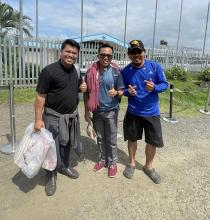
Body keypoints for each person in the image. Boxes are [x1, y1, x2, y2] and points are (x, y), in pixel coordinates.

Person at [34, 39, 87, 196]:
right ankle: (50, 175)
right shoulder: (49, 71)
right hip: (53, 117)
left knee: (66, 144)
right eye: (68, 51)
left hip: (70, 116)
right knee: (50, 147)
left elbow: (75, 86)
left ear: (77, 55)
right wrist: (38, 119)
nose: (70, 55)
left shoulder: (75, 71)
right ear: (61, 52)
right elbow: (40, 97)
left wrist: (81, 87)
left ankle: (64, 166)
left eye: (74, 53)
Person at [121, 40, 168, 184]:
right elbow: (122, 90)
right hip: (133, 112)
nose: (136, 55)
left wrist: (154, 87)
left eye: (138, 51)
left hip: (152, 112)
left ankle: (148, 167)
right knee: (132, 138)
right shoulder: (126, 71)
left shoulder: (155, 66)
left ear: (144, 52)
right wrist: (128, 92)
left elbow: (165, 85)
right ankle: (132, 163)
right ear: (129, 55)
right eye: (132, 52)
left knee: (152, 141)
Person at [84, 43, 124, 178]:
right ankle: (103, 159)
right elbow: (86, 92)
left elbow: (122, 90)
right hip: (96, 111)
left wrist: (117, 92)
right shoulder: (90, 71)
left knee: (111, 138)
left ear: (112, 56)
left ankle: (112, 163)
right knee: (100, 137)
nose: (106, 57)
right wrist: (86, 111)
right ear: (98, 55)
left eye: (108, 55)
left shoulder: (116, 71)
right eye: (103, 55)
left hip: (111, 110)